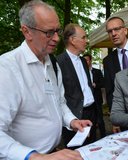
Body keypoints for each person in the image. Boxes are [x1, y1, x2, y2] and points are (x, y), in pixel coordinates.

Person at [0, 1, 91, 160]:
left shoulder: (53, 63)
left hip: (53, 152)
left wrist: (72, 121)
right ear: (26, 32)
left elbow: (59, 102)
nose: (56, 38)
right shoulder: (7, 68)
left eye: (57, 30)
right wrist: (35, 157)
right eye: (49, 32)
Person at [57, 23, 97, 146]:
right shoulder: (58, 62)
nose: (87, 41)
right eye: (84, 37)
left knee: (93, 148)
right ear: (73, 40)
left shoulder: (83, 62)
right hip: (74, 116)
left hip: (92, 113)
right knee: (76, 153)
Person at [103, 16, 128, 133]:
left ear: (125, 30)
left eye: (117, 29)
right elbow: (110, 92)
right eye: (110, 31)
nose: (113, 34)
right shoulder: (107, 61)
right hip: (123, 119)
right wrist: (115, 120)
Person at [83, 54, 106, 138]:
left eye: (87, 60)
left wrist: (95, 85)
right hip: (87, 101)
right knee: (90, 121)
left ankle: (104, 136)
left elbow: (103, 83)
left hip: (97, 99)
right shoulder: (82, 72)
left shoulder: (97, 71)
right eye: (84, 60)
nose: (86, 62)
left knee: (100, 119)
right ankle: (92, 138)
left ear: (91, 61)